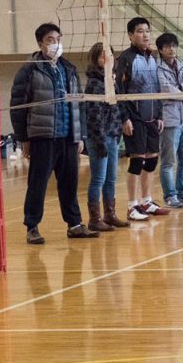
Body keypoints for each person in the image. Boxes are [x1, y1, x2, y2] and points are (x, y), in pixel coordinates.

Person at [10, 23, 98, 243]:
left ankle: (75, 224)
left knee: (69, 183)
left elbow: (80, 105)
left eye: (58, 38)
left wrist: (80, 136)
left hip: (68, 137)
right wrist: (24, 139)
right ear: (40, 43)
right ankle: (32, 226)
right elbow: (18, 106)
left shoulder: (68, 69)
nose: (56, 43)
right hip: (43, 137)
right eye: (50, 39)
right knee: (38, 183)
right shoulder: (29, 70)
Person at [116, 17, 170, 220]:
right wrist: (124, 118)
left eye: (147, 31)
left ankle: (147, 201)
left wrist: (160, 114)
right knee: (137, 162)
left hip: (152, 118)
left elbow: (157, 88)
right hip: (134, 118)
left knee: (152, 161)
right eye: (140, 31)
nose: (145, 35)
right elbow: (118, 91)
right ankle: (132, 206)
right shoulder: (126, 59)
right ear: (131, 35)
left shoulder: (152, 57)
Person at [83, 43, 129, 231]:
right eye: (102, 56)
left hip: (112, 135)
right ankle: (95, 219)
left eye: (109, 54)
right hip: (99, 138)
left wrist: (121, 126)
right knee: (98, 179)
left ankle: (110, 214)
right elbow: (94, 117)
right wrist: (100, 141)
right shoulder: (94, 83)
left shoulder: (112, 81)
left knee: (111, 178)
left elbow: (117, 107)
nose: (106, 58)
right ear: (95, 59)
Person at [156, 33, 183, 208]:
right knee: (169, 161)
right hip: (170, 120)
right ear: (160, 50)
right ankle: (170, 195)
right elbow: (166, 89)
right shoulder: (157, 68)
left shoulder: (182, 65)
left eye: (174, 46)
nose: (172, 49)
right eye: (167, 46)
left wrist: (181, 89)